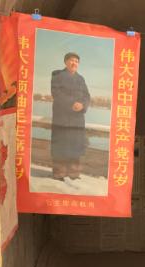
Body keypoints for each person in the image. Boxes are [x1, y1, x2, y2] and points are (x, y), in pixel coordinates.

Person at [50, 52, 90, 180]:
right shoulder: (57, 75)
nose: (74, 63)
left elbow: (87, 96)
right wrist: (72, 104)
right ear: (65, 62)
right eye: (72, 60)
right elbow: (56, 93)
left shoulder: (81, 79)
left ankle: (74, 173)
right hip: (62, 117)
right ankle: (59, 173)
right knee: (60, 145)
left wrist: (82, 105)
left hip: (77, 119)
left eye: (77, 61)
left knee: (75, 145)